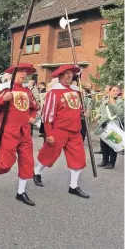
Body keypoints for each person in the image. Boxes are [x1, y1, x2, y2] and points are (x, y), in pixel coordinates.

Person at [0, 63, 38, 206]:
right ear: (13, 73)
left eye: (25, 72)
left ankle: (21, 192)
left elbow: (34, 107)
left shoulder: (27, 91)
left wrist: (32, 116)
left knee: (27, 161)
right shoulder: (4, 88)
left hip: (25, 131)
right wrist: (3, 99)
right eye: (20, 71)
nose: (24, 74)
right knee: (6, 163)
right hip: (8, 131)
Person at [33, 65, 90, 199]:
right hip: (59, 130)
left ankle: (73, 186)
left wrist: (83, 113)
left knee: (78, 158)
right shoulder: (54, 93)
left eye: (71, 74)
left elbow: (75, 108)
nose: (69, 76)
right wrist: (49, 133)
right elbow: (47, 115)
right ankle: (37, 171)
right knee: (50, 155)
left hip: (75, 131)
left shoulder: (76, 92)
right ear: (59, 76)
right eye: (66, 74)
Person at [95, 85, 124, 169]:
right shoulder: (105, 100)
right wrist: (98, 116)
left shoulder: (120, 101)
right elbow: (100, 110)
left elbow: (120, 113)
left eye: (117, 91)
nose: (115, 92)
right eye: (113, 90)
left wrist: (112, 103)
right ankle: (105, 161)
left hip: (113, 125)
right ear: (110, 91)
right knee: (103, 144)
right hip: (103, 124)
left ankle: (112, 163)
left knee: (112, 144)